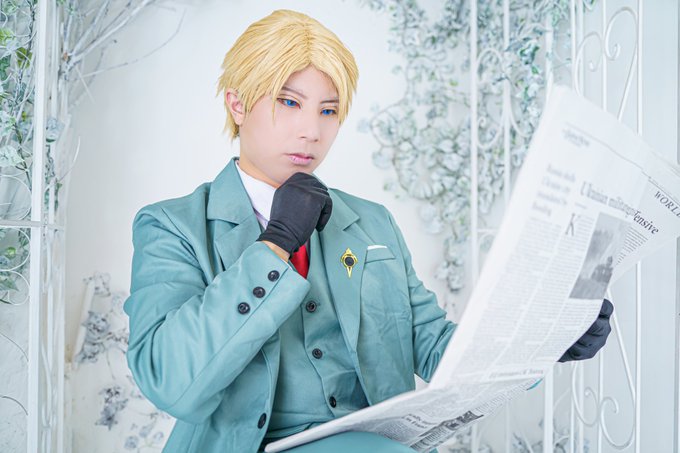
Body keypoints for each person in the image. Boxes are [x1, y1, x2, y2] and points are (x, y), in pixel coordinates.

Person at [123, 9, 612, 453]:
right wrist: (275, 244)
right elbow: (169, 380)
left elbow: (433, 345)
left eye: (328, 110)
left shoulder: (372, 222)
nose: (311, 131)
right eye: (289, 102)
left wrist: (542, 343)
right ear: (237, 104)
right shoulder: (172, 226)